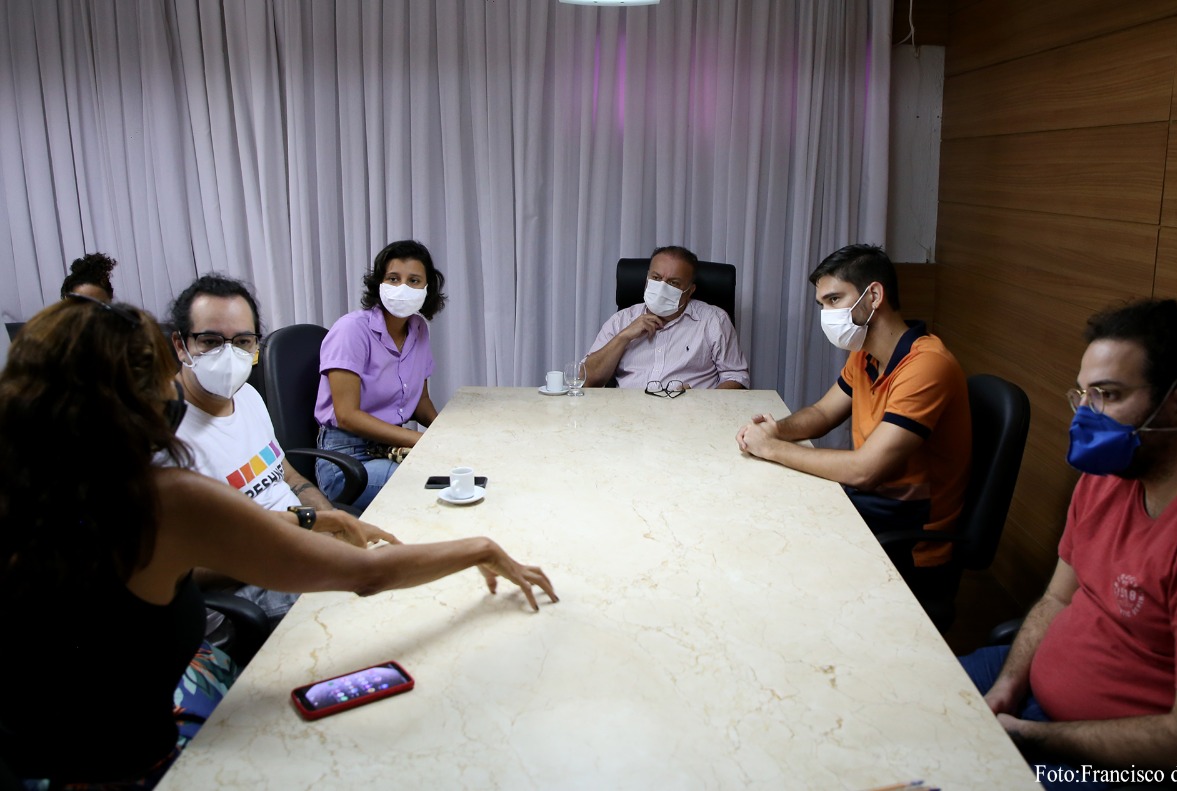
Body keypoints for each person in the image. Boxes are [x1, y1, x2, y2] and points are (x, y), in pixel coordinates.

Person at [0, 296, 556, 787]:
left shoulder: (29, 489)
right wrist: (481, 548)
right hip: (131, 764)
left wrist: (315, 519)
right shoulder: (163, 498)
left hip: (35, 751)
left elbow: (199, 553)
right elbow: (368, 575)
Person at [960, 291, 1177, 790]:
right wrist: (1006, 688)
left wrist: (1029, 737)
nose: (1084, 416)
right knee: (896, 705)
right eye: (1082, 395)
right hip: (1032, 702)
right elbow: (1057, 599)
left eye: (1107, 396)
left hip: (1138, 763)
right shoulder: (1108, 476)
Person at [736, 244, 970, 594]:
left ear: (873, 296)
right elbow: (822, 413)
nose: (826, 314)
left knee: (777, 555)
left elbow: (865, 470)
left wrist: (771, 448)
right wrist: (777, 430)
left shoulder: (927, 365)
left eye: (834, 300)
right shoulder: (865, 356)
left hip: (908, 532)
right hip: (872, 503)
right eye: (822, 305)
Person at [168, 274, 363, 628]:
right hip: (246, 586)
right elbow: (179, 570)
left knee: (393, 555)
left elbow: (287, 475)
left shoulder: (247, 396)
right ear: (181, 346)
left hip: (298, 546)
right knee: (373, 597)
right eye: (210, 341)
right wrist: (294, 543)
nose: (229, 355)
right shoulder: (162, 435)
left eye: (243, 341)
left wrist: (329, 523)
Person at [315, 240, 445, 511]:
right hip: (347, 461)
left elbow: (420, 402)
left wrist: (445, 433)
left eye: (414, 281)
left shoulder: (418, 329)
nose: (402, 288)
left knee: (466, 469)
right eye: (393, 279)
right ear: (379, 284)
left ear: (427, 289)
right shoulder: (351, 330)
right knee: (442, 487)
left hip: (390, 448)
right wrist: (422, 441)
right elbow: (346, 415)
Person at [583, 246, 749, 391]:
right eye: (656, 278)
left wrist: (702, 401)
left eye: (673, 283)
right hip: (629, 412)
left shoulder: (714, 320)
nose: (662, 287)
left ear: (690, 291)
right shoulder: (621, 320)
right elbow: (587, 380)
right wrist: (623, 337)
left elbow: (736, 377)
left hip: (689, 413)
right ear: (647, 279)